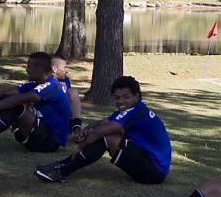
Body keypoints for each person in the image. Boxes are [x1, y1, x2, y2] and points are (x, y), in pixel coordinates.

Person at [35, 75, 170, 185]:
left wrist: (80, 147)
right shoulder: (130, 109)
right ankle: (61, 165)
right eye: (117, 97)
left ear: (136, 96)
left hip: (155, 173)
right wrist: (86, 129)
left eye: (125, 97)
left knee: (108, 137)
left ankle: (62, 171)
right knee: (108, 133)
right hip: (149, 163)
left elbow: (101, 131)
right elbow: (102, 122)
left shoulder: (137, 111)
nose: (121, 101)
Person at [0, 51, 70, 154]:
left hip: (49, 142)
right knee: (5, 102)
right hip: (36, 135)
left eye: (29, 67)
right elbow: (3, 94)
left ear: (39, 70)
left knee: (16, 107)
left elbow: (15, 101)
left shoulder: (52, 86)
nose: (26, 70)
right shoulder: (35, 83)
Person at [50, 54, 83, 138]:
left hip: (66, 117)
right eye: (64, 67)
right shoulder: (46, 82)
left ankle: (76, 126)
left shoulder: (66, 80)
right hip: (51, 118)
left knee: (73, 91)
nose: (67, 70)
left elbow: (71, 100)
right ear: (54, 69)